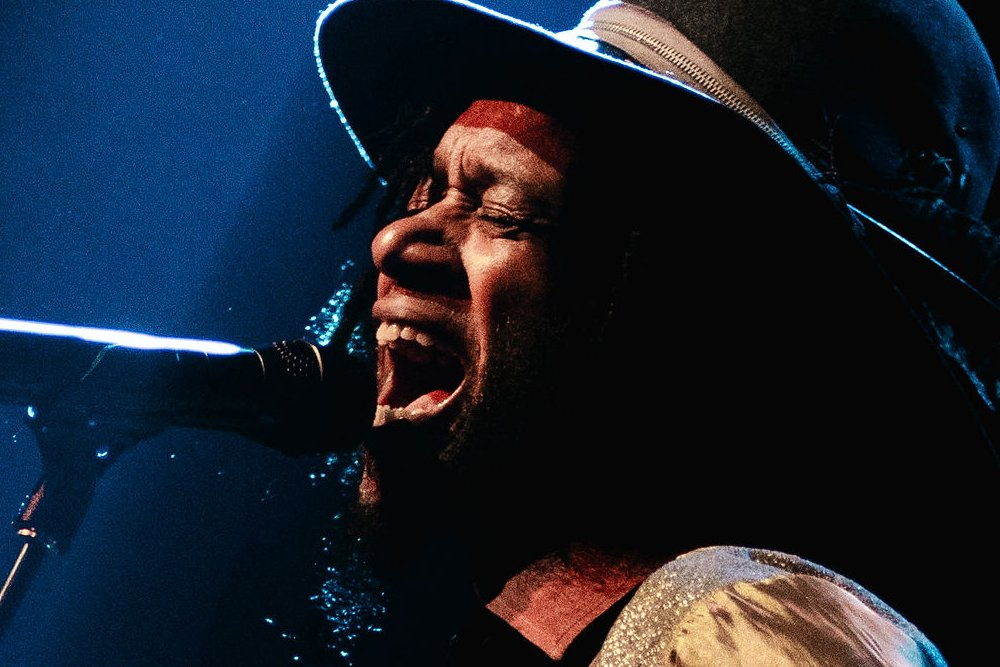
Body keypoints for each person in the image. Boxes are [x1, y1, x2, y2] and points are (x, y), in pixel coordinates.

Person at [305, 0, 1000, 664]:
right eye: (428, 190)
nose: (394, 241)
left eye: (504, 209)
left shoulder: (742, 636)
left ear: (685, 305)